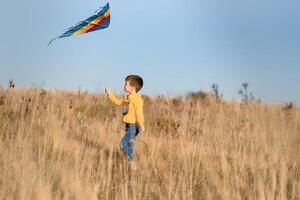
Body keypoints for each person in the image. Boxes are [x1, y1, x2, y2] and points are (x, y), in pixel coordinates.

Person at [105, 75, 145, 170]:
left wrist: (141, 124)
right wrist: (110, 94)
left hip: (133, 126)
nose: (124, 85)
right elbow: (118, 102)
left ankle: (133, 162)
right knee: (129, 145)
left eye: (126, 84)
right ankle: (134, 165)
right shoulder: (128, 97)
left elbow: (139, 113)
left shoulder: (136, 99)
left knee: (123, 144)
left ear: (133, 87)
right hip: (128, 126)